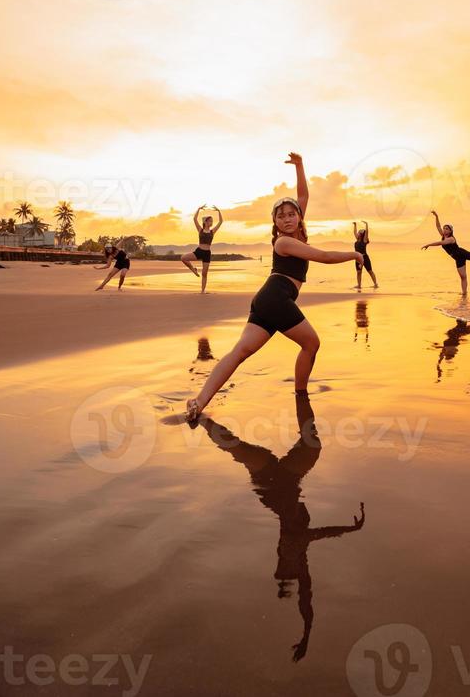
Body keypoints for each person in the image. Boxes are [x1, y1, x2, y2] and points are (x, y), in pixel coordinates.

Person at [186, 153, 364, 421]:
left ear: (298, 217)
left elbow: (303, 195)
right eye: (281, 217)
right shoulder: (283, 242)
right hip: (276, 297)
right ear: (275, 222)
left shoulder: (297, 232)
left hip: (267, 300)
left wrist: (301, 165)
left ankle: (198, 402)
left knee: (239, 353)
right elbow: (325, 257)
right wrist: (354, 254)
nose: (287, 219)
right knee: (311, 343)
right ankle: (301, 395)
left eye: (292, 214)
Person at [194, 393, 364, 661]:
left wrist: (307, 631)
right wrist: (307, 631)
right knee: (310, 445)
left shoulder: (297, 543)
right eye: (288, 565)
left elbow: (306, 592)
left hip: (270, 482)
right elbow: (306, 595)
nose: (287, 553)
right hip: (287, 479)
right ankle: (299, 395)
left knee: (236, 448)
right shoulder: (301, 545)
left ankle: (200, 419)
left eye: (284, 563)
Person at [421, 210, 470, 295]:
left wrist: (428, 244)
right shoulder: (443, 236)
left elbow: (440, 243)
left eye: (446, 229)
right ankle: (464, 294)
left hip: (462, 253)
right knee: (463, 277)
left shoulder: (451, 239)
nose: (444, 230)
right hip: (457, 259)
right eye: (444, 228)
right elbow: (438, 226)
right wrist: (436, 216)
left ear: (450, 231)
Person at [181, 205, 224, 293]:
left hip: (207, 253)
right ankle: (193, 269)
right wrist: (198, 209)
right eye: (210, 221)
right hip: (199, 251)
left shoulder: (212, 231)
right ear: (205, 221)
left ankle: (202, 291)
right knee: (183, 258)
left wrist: (219, 211)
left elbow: (221, 221)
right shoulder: (200, 230)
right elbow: (194, 219)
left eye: (212, 221)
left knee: (204, 273)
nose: (212, 222)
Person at [352, 220, 378, 291]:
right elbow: (354, 232)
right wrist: (355, 225)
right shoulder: (357, 240)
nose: (358, 232)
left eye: (360, 231)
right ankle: (359, 285)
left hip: (364, 257)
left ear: (362, 234)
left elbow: (367, 233)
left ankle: (375, 284)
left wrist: (367, 224)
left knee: (370, 271)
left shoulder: (364, 240)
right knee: (358, 272)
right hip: (357, 258)